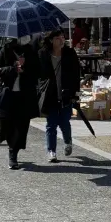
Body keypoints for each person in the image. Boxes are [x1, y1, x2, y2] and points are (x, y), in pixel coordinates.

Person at [0, 36, 39, 169]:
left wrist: (25, 67)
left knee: (21, 126)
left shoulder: (31, 50)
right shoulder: (6, 50)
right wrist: (14, 68)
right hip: (8, 94)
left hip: (25, 95)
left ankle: (13, 153)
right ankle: (11, 146)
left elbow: (38, 71)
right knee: (7, 124)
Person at [39, 30, 81, 162]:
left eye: (63, 38)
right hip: (49, 94)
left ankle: (68, 141)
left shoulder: (70, 53)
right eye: (58, 38)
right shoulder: (43, 54)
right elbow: (38, 74)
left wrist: (76, 94)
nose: (61, 40)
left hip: (66, 94)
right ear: (51, 40)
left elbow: (76, 75)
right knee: (51, 124)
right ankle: (51, 151)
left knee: (64, 122)